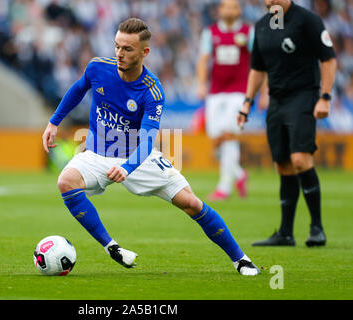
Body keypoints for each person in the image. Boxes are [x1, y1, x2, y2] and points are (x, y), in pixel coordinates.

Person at [42, 18, 260, 276]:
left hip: (138, 158)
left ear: (144, 52)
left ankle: (241, 259)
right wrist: (54, 122)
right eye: (117, 46)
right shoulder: (98, 67)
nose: (119, 54)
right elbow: (78, 89)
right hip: (97, 153)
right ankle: (112, 247)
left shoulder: (152, 91)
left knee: (191, 203)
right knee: (65, 181)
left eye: (127, 49)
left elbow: (147, 140)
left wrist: (127, 167)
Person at [238, 0, 337, 246]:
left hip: (304, 96)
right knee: (283, 164)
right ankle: (285, 233)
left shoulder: (307, 20)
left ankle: (317, 228)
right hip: (276, 101)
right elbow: (258, 69)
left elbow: (329, 58)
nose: (269, 1)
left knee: (300, 159)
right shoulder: (261, 25)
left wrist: (325, 97)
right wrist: (247, 103)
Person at [196, 0, 253, 201]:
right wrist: (201, 84)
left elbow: (259, 60)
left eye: (234, 7)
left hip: (239, 91)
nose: (230, 10)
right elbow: (203, 59)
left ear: (239, 11)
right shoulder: (210, 33)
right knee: (216, 137)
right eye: (226, 6)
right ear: (219, 10)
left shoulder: (248, 32)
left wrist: (264, 89)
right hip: (216, 91)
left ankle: (224, 188)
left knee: (229, 135)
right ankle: (239, 173)